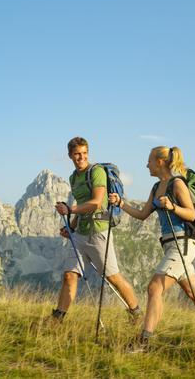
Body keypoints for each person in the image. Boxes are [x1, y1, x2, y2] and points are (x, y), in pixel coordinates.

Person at [108, 146, 195, 351]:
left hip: (182, 244)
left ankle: (144, 342)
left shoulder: (177, 184)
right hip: (170, 246)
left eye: (149, 160)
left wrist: (172, 207)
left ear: (159, 162)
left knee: (154, 288)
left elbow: (192, 214)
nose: (146, 164)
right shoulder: (156, 187)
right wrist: (120, 203)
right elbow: (142, 214)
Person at [51, 137, 141, 322]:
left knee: (112, 277)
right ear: (70, 155)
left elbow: (96, 202)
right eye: (77, 154)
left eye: (84, 153)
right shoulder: (73, 178)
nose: (81, 157)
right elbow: (82, 204)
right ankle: (57, 319)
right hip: (81, 233)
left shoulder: (97, 171)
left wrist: (70, 209)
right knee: (69, 275)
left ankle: (136, 312)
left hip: (99, 231)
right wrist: (71, 226)